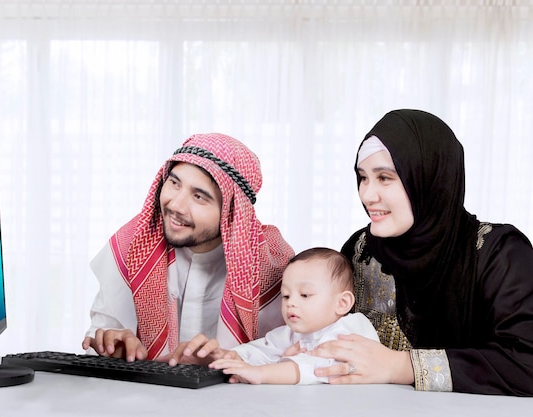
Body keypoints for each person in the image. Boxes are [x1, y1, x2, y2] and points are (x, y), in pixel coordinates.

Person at [311, 109, 533, 396]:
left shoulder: (499, 253)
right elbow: (329, 336)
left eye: (385, 178)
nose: (367, 195)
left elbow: (526, 362)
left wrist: (403, 366)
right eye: (363, 178)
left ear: (430, 178)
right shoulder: (360, 250)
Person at [82, 133, 295, 364]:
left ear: (233, 212)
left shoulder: (272, 264)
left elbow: (296, 352)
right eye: (174, 183)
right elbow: (99, 336)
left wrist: (232, 359)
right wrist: (112, 347)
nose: (176, 205)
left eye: (199, 196)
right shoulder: (133, 244)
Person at [208, 247, 379, 385]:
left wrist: (260, 373)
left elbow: (316, 368)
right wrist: (233, 357)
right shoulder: (294, 331)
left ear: (342, 303)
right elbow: (264, 349)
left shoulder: (350, 329)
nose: (290, 303)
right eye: (286, 296)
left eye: (305, 295)